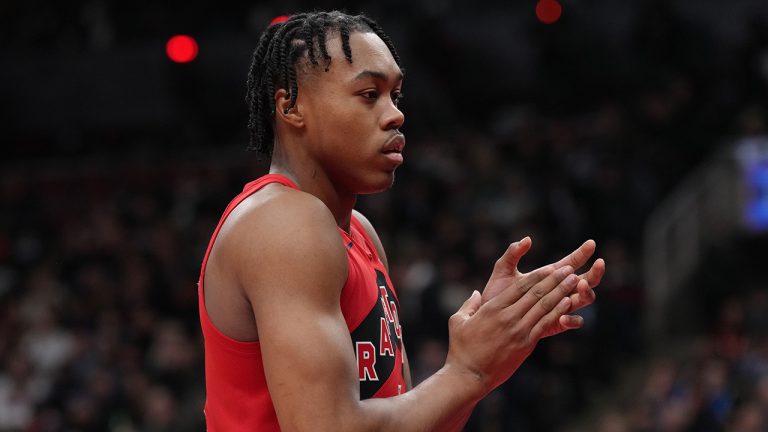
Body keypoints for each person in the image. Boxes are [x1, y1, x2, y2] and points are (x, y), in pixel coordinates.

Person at [197, 10, 605, 431]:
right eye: (370, 94)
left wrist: (488, 355)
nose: (395, 115)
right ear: (292, 105)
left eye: (396, 95)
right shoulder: (282, 223)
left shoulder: (360, 233)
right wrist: (467, 372)